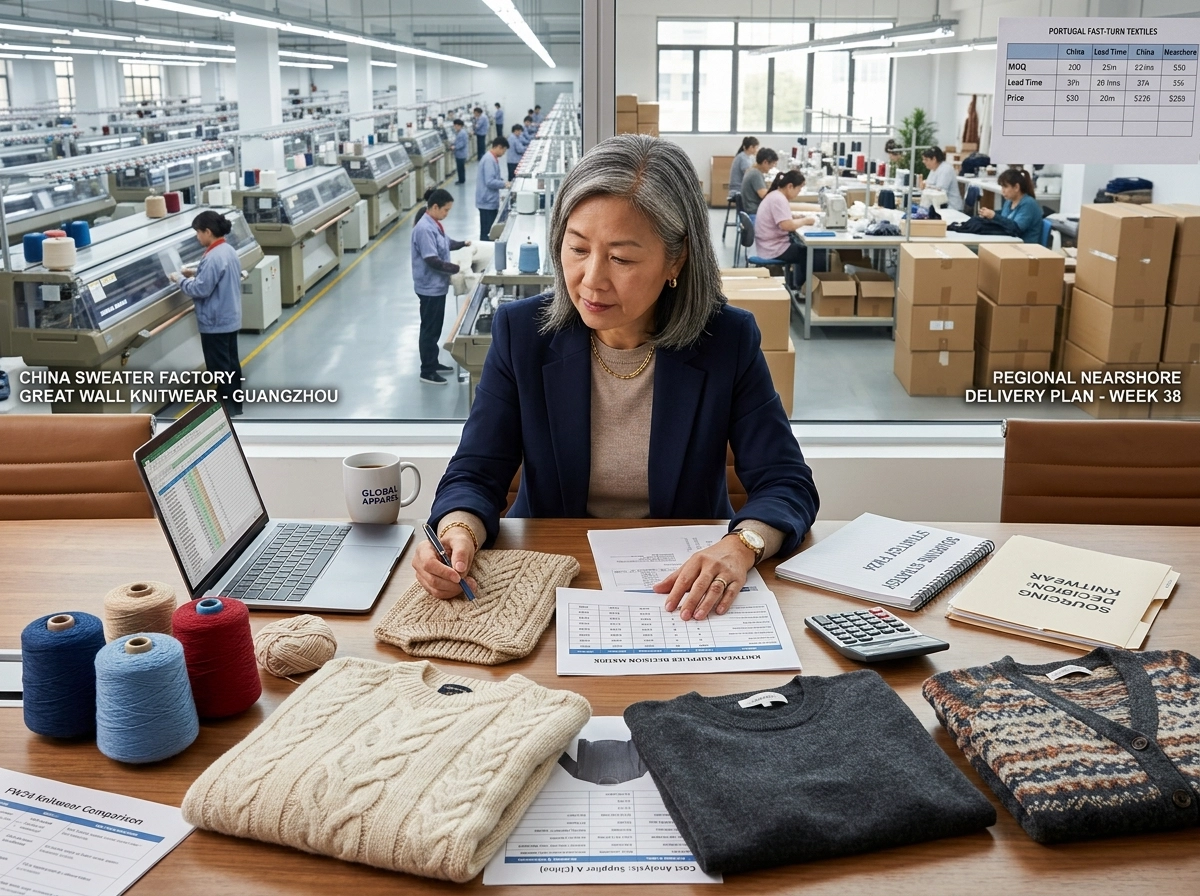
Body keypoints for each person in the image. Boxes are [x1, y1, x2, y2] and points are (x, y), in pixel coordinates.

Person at [414, 135, 819, 623]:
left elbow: (786, 481)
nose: (591, 279)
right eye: (577, 248)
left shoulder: (725, 340)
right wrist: (457, 530)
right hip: (548, 576)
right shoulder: (523, 333)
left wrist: (742, 544)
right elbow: (476, 470)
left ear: (676, 259)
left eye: (622, 258)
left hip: (679, 588)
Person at [172, 211, 244, 417]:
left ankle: (228, 412)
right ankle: (233, 406)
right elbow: (215, 276)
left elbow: (200, 290)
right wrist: (194, 273)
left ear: (208, 231)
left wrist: (178, 279)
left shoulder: (213, 256)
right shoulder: (227, 250)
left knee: (220, 370)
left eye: (198, 232)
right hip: (229, 318)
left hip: (215, 322)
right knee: (230, 366)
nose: (197, 237)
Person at [411, 189, 470, 385]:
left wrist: (463, 244)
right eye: (445, 210)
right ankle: (426, 371)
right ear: (435, 207)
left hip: (437, 286)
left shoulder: (434, 224)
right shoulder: (424, 229)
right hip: (429, 287)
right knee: (429, 329)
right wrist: (457, 268)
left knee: (435, 327)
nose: (447, 214)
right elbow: (432, 260)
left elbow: (445, 244)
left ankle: (433, 362)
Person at [753, 171, 817, 284]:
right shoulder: (779, 199)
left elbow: (780, 217)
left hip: (768, 244)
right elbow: (787, 225)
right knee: (813, 254)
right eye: (799, 189)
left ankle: (798, 284)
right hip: (773, 248)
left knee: (802, 248)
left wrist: (795, 217)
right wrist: (805, 220)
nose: (798, 193)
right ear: (790, 186)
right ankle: (805, 288)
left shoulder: (775, 195)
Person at [978, 168, 1043, 243]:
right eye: (1002, 187)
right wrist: (988, 215)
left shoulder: (1029, 204)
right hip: (1009, 243)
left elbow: (1015, 229)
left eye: (1005, 187)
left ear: (1016, 187)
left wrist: (994, 216)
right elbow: (1004, 218)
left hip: (1025, 247)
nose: (1003, 190)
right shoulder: (1009, 202)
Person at [475, 136, 509, 241]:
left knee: (489, 229)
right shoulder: (489, 160)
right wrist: (505, 184)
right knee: (487, 232)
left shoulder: (492, 158)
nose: (504, 153)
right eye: (504, 150)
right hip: (486, 202)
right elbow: (489, 181)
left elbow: (494, 177)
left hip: (489, 199)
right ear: (499, 147)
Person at [921, 146, 963, 212]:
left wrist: (927, 187)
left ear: (934, 159)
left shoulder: (946, 169)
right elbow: (928, 186)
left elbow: (940, 192)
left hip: (951, 208)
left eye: (926, 159)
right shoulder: (933, 169)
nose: (923, 162)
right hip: (937, 206)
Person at [740, 147, 777, 216]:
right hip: (754, 212)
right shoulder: (756, 174)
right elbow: (765, 196)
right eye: (772, 164)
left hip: (751, 210)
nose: (772, 167)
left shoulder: (752, 170)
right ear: (765, 162)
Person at [728, 136, 759, 203]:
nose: (757, 150)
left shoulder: (749, 157)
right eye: (756, 147)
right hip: (738, 190)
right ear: (751, 147)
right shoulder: (743, 158)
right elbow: (749, 175)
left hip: (741, 188)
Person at [451, 119, 468, 185]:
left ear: (459, 125)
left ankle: (461, 180)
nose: (455, 127)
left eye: (455, 125)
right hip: (460, 153)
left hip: (461, 153)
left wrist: (454, 147)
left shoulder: (462, 133)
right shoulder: (460, 132)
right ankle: (461, 179)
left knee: (460, 167)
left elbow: (462, 144)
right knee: (460, 167)